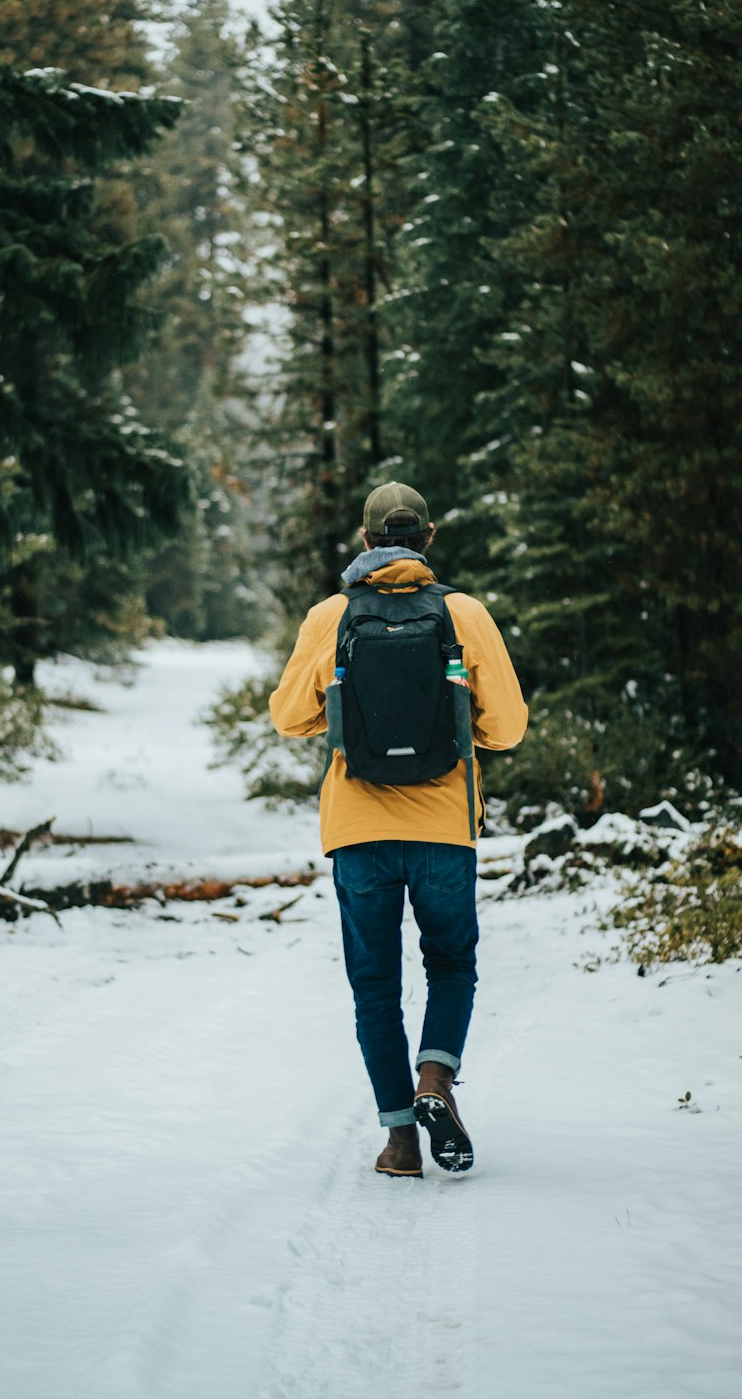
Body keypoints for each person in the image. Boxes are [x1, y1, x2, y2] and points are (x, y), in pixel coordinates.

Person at [268, 482, 527, 1177]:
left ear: (365, 542)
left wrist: (344, 712)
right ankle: (435, 1081)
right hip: (444, 827)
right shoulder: (464, 612)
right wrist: (453, 723)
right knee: (450, 964)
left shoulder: (332, 615)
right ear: (428, 540)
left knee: (375, 986)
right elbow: (507, 728)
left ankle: (400, 1141)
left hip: (357, 829)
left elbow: (289, 717)